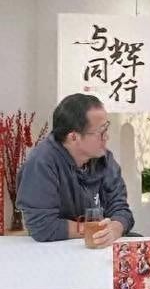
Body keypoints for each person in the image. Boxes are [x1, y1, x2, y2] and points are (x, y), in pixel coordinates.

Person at [16, 93, 134, 245]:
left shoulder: (105, 159)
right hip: (56, 249)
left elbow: (121, 209)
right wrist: (94, 230)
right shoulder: (41, 163)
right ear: (73, 137)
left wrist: (116, 228)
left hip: (98, 246)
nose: (107, 137)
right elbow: (42, 226)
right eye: (101, 132)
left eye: (107, 129)